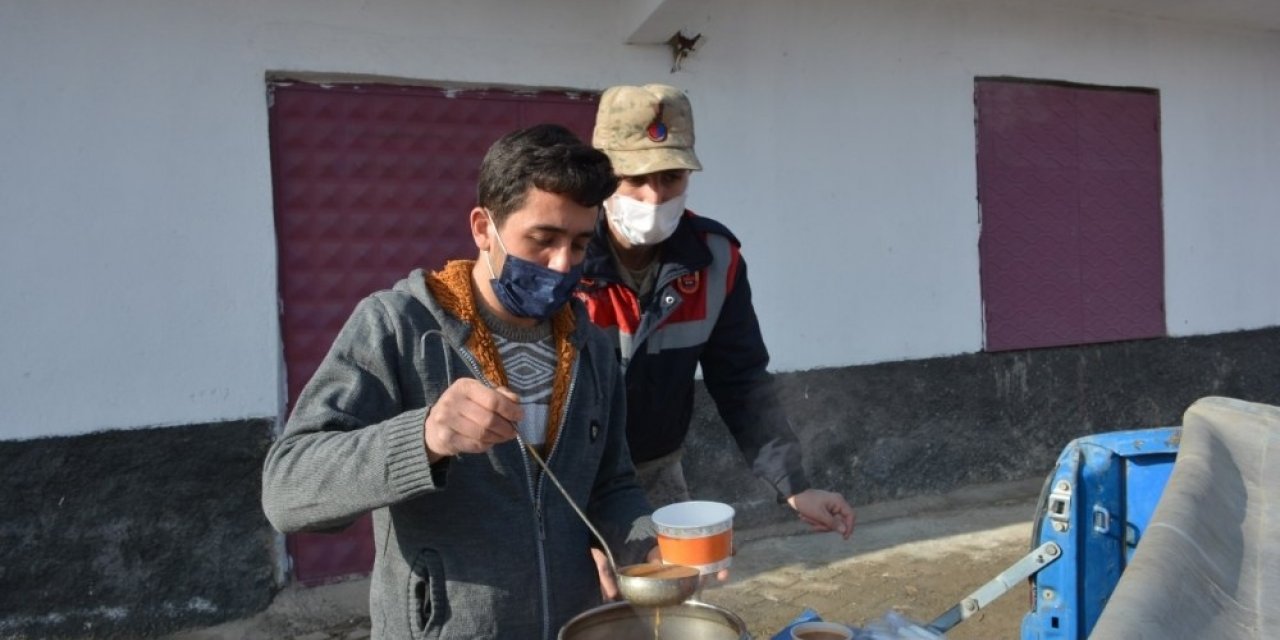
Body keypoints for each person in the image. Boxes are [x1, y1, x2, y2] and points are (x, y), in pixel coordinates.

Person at [261, 124, 656, 639]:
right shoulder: (396, 327)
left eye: (580, 244)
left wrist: (648, 543)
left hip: (571, 627)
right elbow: (287, 491)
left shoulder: (594, 347)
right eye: (542, 239)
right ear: (481, 228)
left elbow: (613, 483)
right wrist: (423, 438)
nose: (563, 265)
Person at [580, 84, 857, 540]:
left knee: (674, 600)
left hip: (656, 473)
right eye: (635, 178)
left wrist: (793, 485)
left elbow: (741, 379)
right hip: (568, 480)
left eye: (671, 176)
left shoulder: (714, 259)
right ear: (603, 177)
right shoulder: (560, 257)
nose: (654, 196)